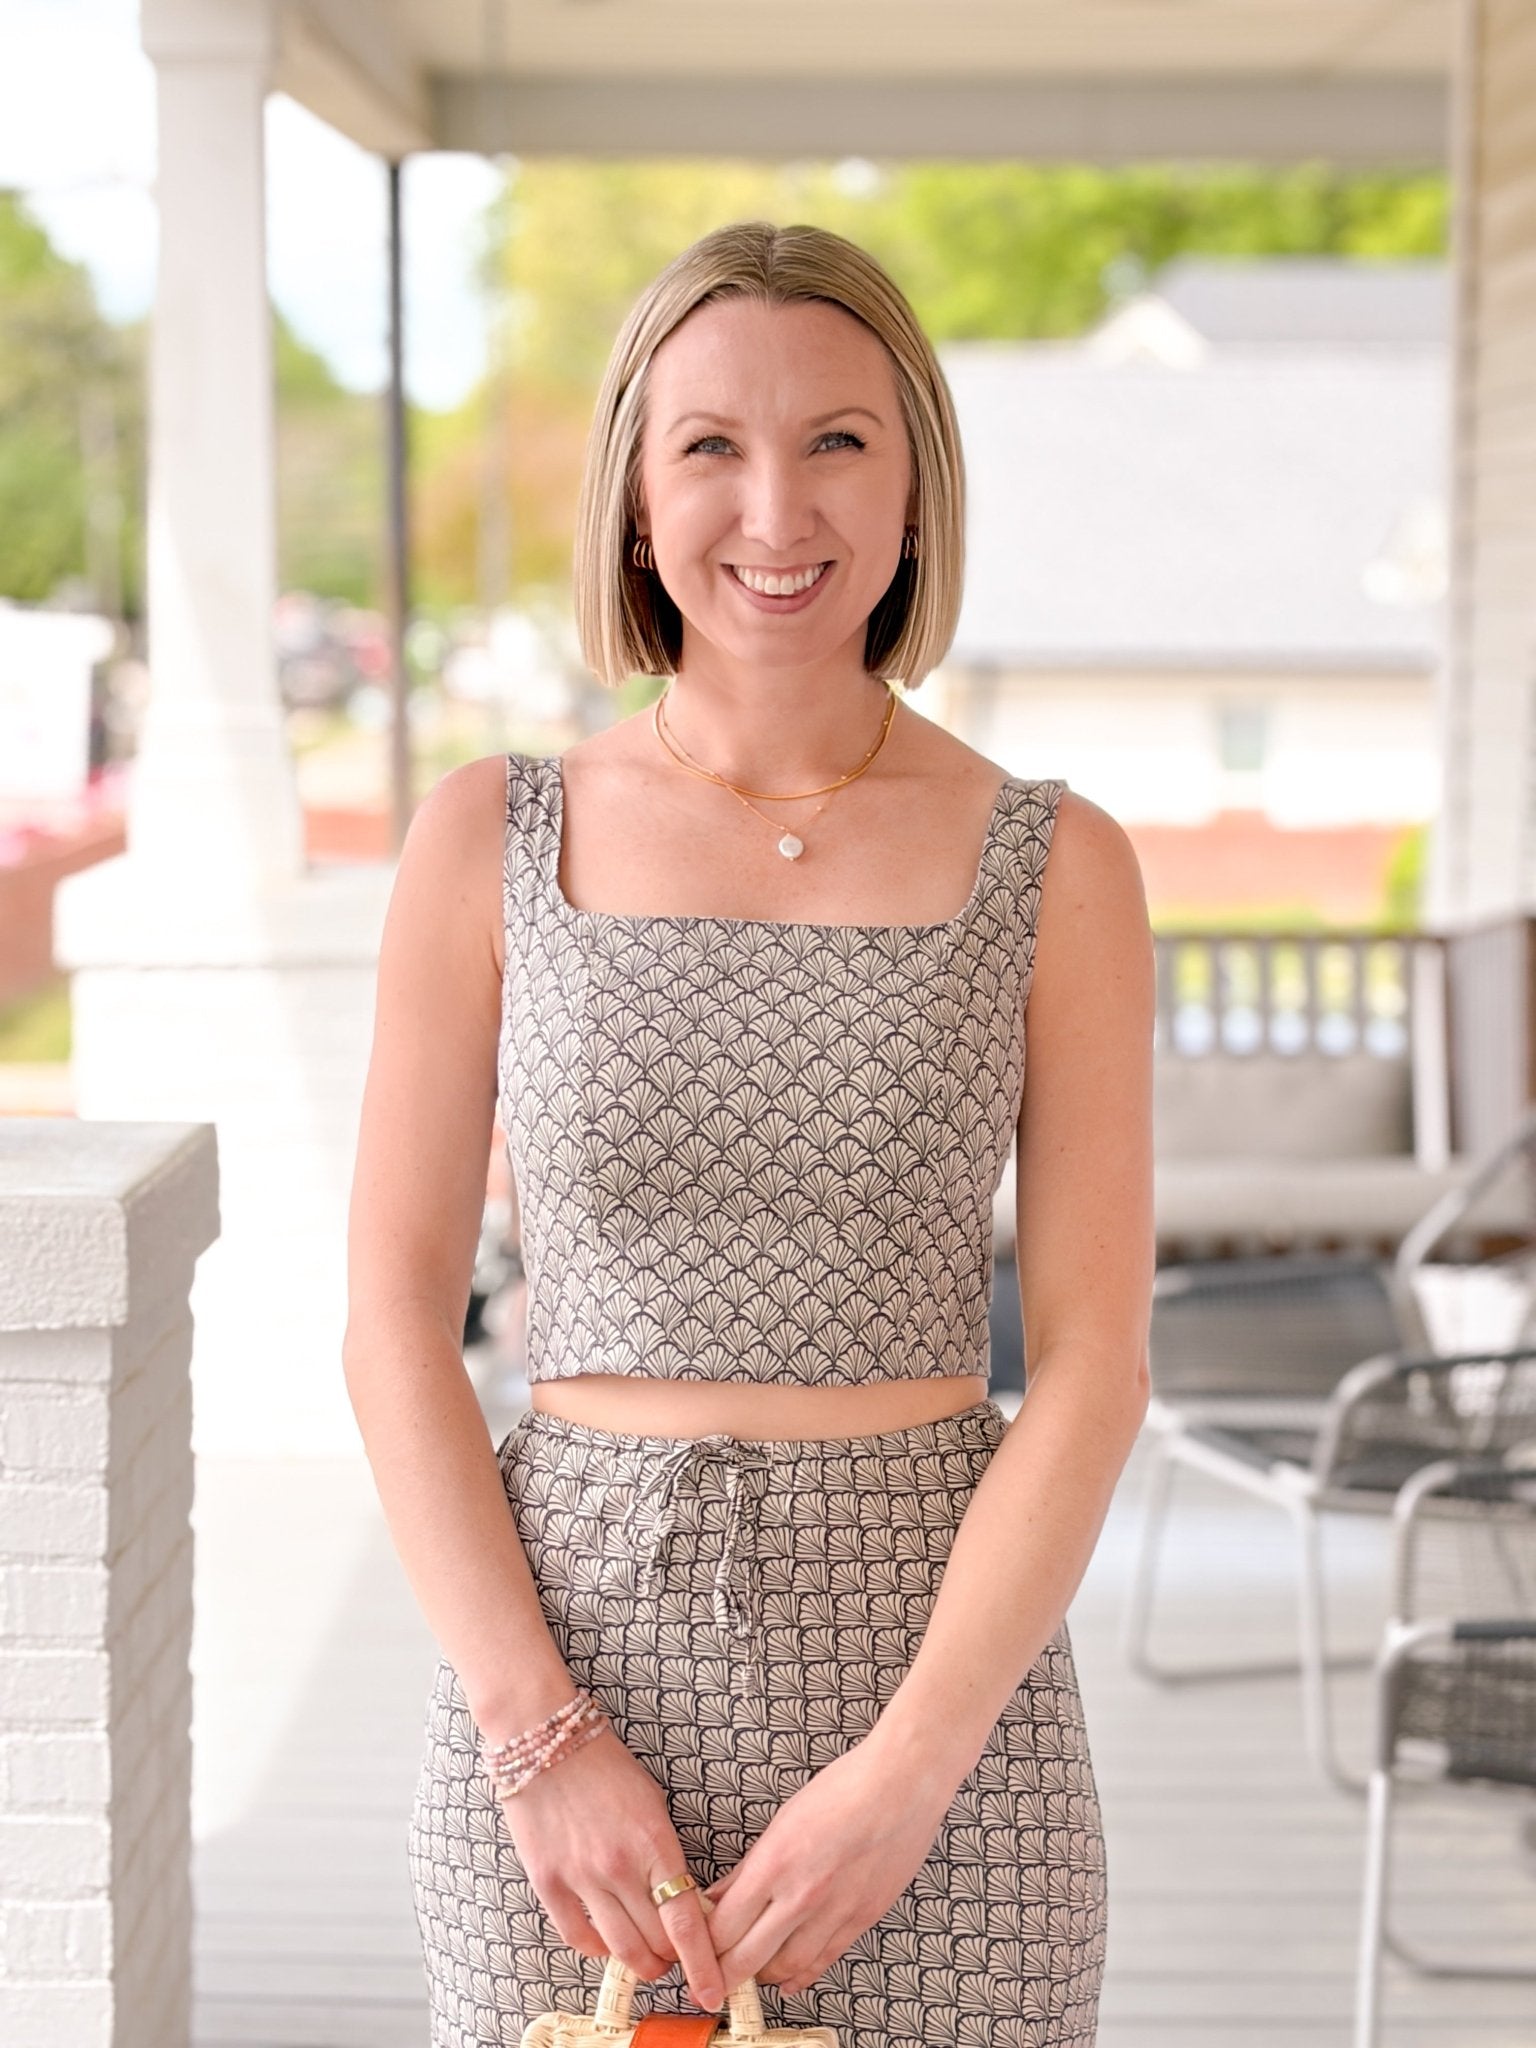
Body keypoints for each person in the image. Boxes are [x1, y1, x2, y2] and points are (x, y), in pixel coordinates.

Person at [343, 219, 1155, 2048]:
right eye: (711, 444)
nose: (775, 510)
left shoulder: (1056, 863)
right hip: (561, 1691)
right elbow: (390, 1321)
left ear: (916, 486)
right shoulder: (490, 838)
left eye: (838, 441)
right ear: (637, 495)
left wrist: (915, 1769)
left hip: (942, 1702)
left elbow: (1097, 1365)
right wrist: (537, 1739)